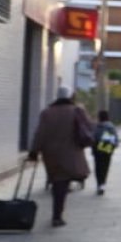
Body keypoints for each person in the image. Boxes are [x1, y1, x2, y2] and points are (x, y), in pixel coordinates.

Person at [27, 86, 94, 227]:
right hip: (71, 152)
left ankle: (57, 214)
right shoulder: (76, 111)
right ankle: (57, 215)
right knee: (64, 181)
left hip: (50, 154)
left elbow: (40, 133)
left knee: (58, 181)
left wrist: (34, 151)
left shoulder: (47, 112)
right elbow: (88, 128)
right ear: (70, 96)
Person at [91, 110, 119, 195]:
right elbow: (116, 140)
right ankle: (103, 184)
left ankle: (99, 184)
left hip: (98, 151)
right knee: (105, 168)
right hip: (107, 150)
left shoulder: (97, 127)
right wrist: (113, 148)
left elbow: (93, 138)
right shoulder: (112, 127)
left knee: (98, 168)